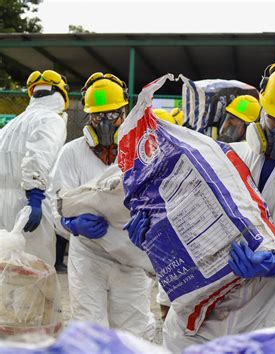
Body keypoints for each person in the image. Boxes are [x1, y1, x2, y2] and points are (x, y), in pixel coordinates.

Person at [127, 55, 275, 352]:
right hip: (197, 321)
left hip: (262, 319)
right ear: (262, 107)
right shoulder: (226, 156)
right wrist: (152, 233)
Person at [51, 72, 155, 340]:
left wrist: (149, 223)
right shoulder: (72, 153)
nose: (106, 123)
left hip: (130, 258)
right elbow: (56, 202)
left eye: (112, 115)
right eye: (98, 116)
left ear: (125, 112)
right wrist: (68, 224)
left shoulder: (140, 152)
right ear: (88, 117)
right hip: (88, 256)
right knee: (89, 329)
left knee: (134, 331)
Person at [0, 70, 69, 266]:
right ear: (61, 95)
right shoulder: (50, 119)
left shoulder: (12, 124)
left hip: (3, 205)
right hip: (28, 204)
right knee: (36, 273)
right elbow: (38, 156)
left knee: (7, 273)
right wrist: (36, 197)